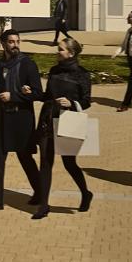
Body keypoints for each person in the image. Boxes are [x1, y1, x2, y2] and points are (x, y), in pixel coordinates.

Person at [0, 29, 42, 212]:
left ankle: (40, 192)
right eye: (11, 42)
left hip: (21, 119)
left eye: (17, 41)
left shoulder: (28, 64)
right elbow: (0, 90)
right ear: (3, 44)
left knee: (25, 157)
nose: (15, 45)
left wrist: (14, 96)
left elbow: (38, 93)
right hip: (2, 117)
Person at [30, 37, 93, 219]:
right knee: (45, 162)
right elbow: (48, 95)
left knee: (69, 163)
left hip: (69, 120)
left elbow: (86, 101)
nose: (57, 51)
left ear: (71, 53)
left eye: (61, 49)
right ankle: (43, 206)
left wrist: (71, 103)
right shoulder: (54, 70)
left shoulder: (82, 74)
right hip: (48, 119)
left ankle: (86, 193)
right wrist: (32, 93)